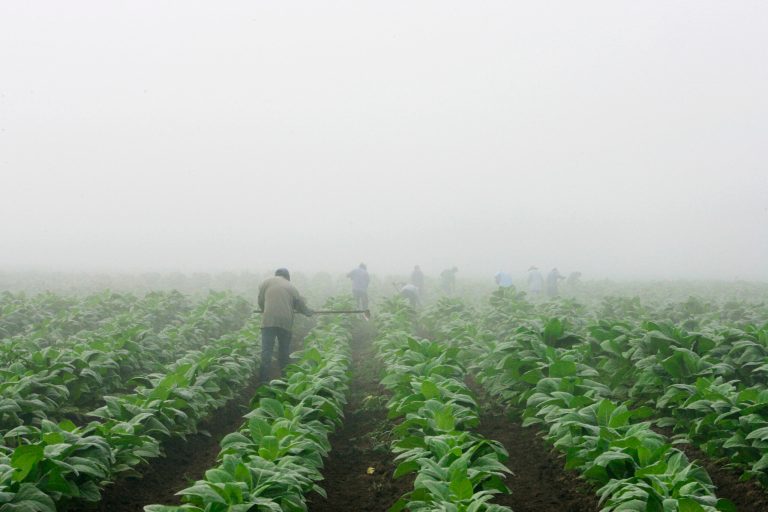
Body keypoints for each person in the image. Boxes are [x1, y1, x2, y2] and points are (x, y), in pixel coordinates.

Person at [257, 268, 313, 382]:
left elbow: (261, 300)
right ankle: (285, 377)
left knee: (266, 351)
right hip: (285, 321)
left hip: (268, 321)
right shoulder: (291, 286)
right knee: (284, 350)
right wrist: (308, 312)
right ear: (287, 277)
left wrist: (265, 310)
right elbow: (299, 305)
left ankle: (263, 379)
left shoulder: (266, 282)